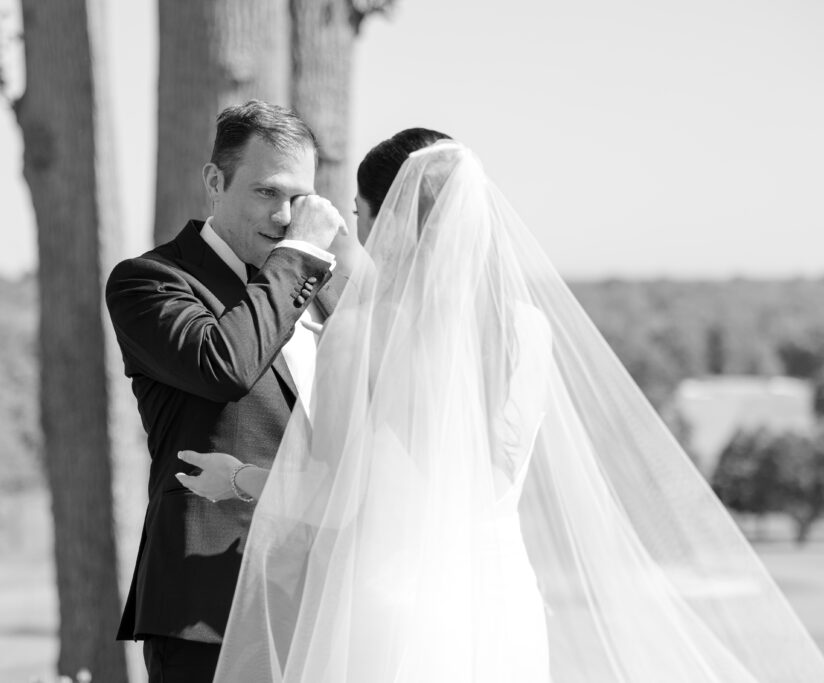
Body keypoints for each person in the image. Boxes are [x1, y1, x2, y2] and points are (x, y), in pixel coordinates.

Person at [180, 135, 824, 681]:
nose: (358, 229)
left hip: (394, 604)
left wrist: (235, 478)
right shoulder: (528, 330)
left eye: (362, 211)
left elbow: (335, 495)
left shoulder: (365, 331)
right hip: (500, 597)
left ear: (394, 216)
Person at [105, 100, 348, 683]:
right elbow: (224, 365)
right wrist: (302, 258)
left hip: (329, 599)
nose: (288, 216)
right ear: (215, 181)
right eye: (267, 192)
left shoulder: (324, 293)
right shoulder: (151, 281)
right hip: (207, 609)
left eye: (300, 199)